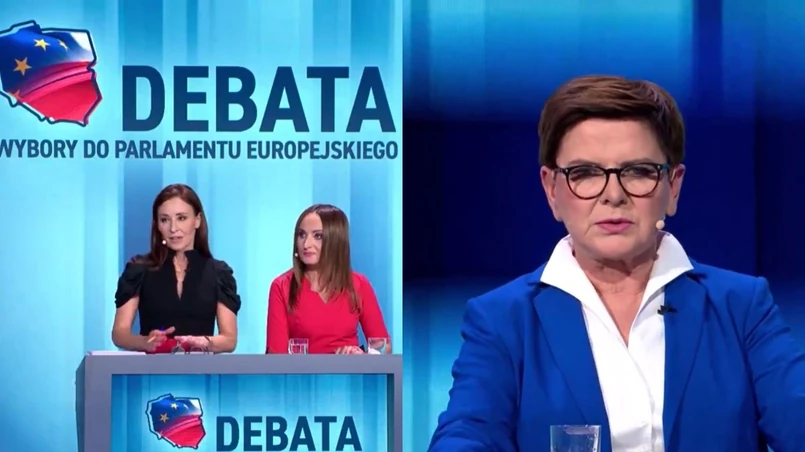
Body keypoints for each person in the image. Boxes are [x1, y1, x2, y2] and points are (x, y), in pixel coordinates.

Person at [429, 76, 805, 451]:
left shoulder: (741, 308)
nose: (613, 195)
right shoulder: (502, 321)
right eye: (585, 173)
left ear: (673, 187)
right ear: (552, 190)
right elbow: (464, 438)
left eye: (638, 171)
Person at [111, 183, 241, 353]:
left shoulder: (219, 273)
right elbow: (120, 334)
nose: (173, 228)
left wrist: (204, 342)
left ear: (197, 220)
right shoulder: (139, 269)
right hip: (151, 367)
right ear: (158, 225)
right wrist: (144, 342)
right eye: (165, 220)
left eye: (181, 218)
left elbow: (229, 340)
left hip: (200, 367)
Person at [265, 204, 390, 354]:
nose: (306, 244)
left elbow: (382, 346)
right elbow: (276, 355)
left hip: (350, 369)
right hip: (302, 370)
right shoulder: (281, 286)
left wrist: (362, 357)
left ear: (336, 241)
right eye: (302, 235)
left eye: (318, 236)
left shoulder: (359, 284)